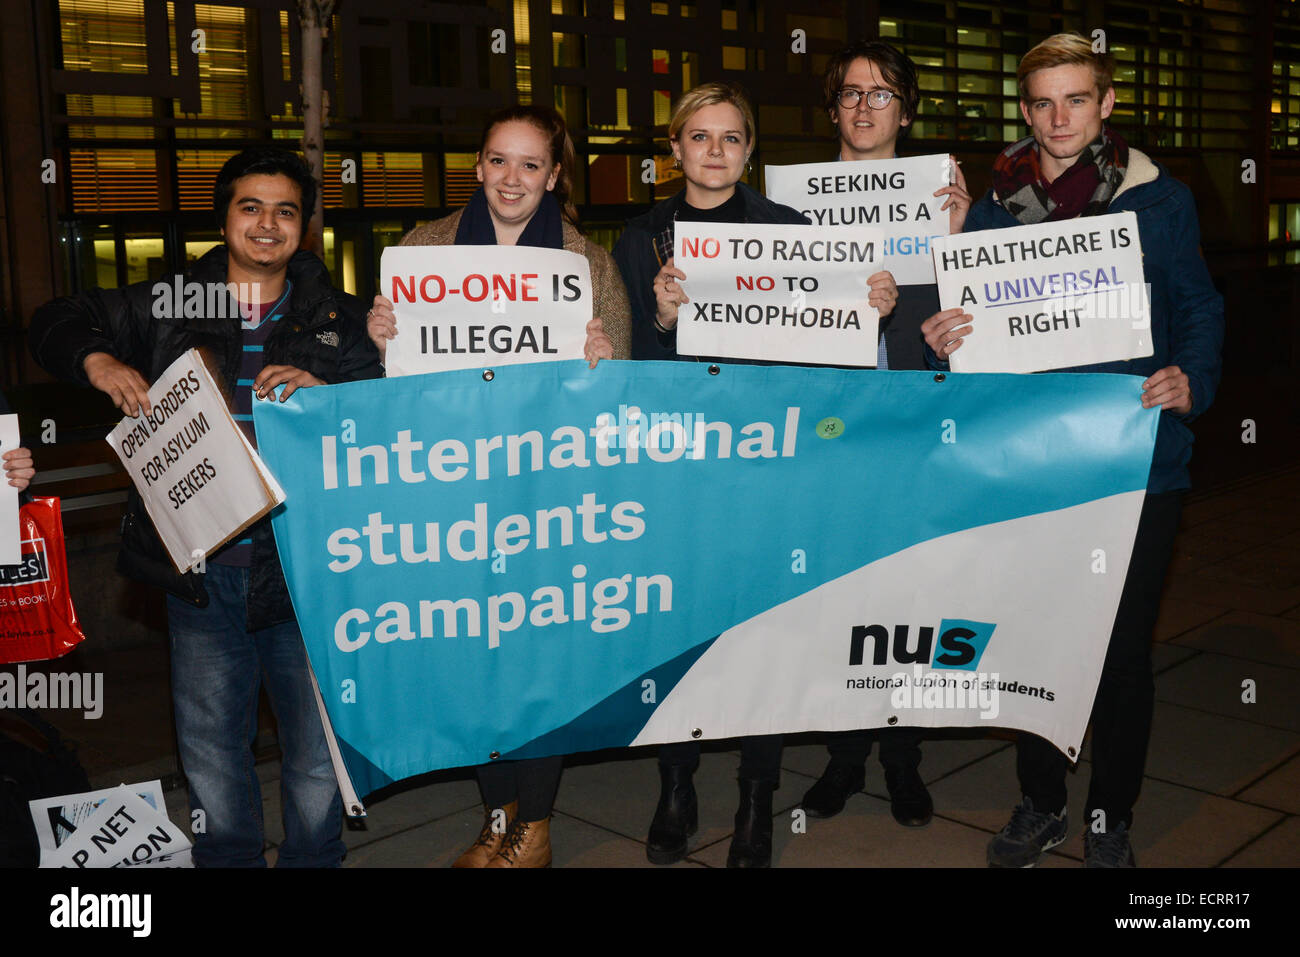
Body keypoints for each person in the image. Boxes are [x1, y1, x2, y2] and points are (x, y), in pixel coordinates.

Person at [29, 146, 381, 867]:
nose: (266, 224)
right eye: (249, 206)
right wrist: (99, 361)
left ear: (303, 226)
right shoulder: (168, 304)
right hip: (199, 569)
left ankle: (315, 859)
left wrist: (328, 396)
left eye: (285, 210)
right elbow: (54, 319)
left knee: (315, 750)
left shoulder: (341, 318)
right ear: (223, 217)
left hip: (307, 571)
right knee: (213, 748)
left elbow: (382, 425)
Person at [921, 33, 1223, 867]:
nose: (1060, 119)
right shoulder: (989, 207)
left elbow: (1198, 303)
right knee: (1036, 642)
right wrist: (946, 337)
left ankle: (1110, 815)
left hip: (1134, 459)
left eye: (1077, 100)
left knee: (1123, 651)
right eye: (1044, 102)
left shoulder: (1160, 201)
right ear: (1024, 110)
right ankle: (1041, 801)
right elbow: (969, 332)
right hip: (1029, 464)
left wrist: (1191, 376)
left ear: (1107, 105)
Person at [612, 81, 898, 867]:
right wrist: (666, 323)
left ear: (750, 150)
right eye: (698, 138)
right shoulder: (639, 240)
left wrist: (867, 308)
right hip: (675, 467)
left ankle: (754, 797)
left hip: (769, 465)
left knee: (761, 633)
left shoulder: (790, 230)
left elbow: (819, 353)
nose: (714, 152)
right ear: (673, 150)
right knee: (678, 628)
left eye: (730, 138)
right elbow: (622, 370)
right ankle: (676, 781)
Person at [368, 105, 631, 868]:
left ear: (554, 176)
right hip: (455, 491)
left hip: (549, 498)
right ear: (478, 166)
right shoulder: (423, 248)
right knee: (475, 658)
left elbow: (619, 401)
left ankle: (538, 825)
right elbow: (394, 384)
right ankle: (496, 815)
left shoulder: (589, 263)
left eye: (529, 164)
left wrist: (605, 358)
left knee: (541, 660)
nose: (511, 178)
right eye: (497, 160)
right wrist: (376, 334)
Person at [798, 39, 973, 831]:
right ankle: (842, 753)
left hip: (912, 431)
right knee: (837, 602)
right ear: (833, 108)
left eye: (882, 94)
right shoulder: (790, 208)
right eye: (850, 94)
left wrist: (962, 249)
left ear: (906, 111)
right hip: (827, 436)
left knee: (910, 601)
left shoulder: (948, 205)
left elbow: (991, 318)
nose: (864, 107)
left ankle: (903, 755)